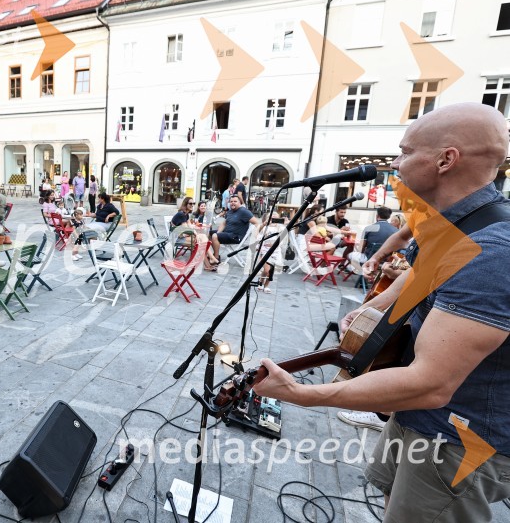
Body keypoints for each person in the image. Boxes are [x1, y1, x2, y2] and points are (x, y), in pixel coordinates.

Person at [253, 103, 510, 522]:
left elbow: (430, 384)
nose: (395, 163)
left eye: (406, 152)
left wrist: (302, 395)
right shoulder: (455, 224)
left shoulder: (494, 254)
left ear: (447, 160)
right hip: (415, 415)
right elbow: (424, 272)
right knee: (392, 496)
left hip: (457, 435)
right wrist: (372, 309)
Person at [347, 206, 398, 272]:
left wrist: (358, 249)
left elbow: (361, 249)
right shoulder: (395, 230)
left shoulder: (369, 228)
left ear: (377, 215)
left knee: (349, 255)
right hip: (386, 260)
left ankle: (362, 271)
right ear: (388, 217)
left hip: (369, 258)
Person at [210, 195, 259, 263]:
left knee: (215, 236)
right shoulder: (229, 212)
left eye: (235, 201)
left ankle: (216, 258)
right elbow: (224, 223)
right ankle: (212, 254)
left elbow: (256, 223)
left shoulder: (244, 212)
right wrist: (218, 232)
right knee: (210, 233)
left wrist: (254, 236)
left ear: (240, 203)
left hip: (236, 236)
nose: (232, 203)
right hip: (227, 233)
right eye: (231, 201)